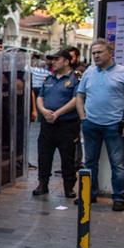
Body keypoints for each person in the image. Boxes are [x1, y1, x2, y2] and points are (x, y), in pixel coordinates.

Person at [75, 38, 124, 211]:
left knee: (117, 164)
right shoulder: (88, 72)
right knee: (89, 162)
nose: (95, 56)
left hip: (114, 124)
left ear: (111, 52)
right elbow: (79, 96)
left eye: (99, 52)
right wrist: (83, 118)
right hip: (90, 124)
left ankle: (118, 198)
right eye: (93, 53)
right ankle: (89, 195)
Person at [32, 50, 79, 198]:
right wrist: (44, 111)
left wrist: (57, 113)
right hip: (48, 124)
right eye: (52, 60)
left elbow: (76, 99)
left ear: (66, 61)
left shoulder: (75, 78)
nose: (53, 62)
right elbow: (40, 97)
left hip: (67, 125)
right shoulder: (49, 78)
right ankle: (43, 184)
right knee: (44, 155)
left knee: (68, 158)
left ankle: (69, 187)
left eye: (57, 59)